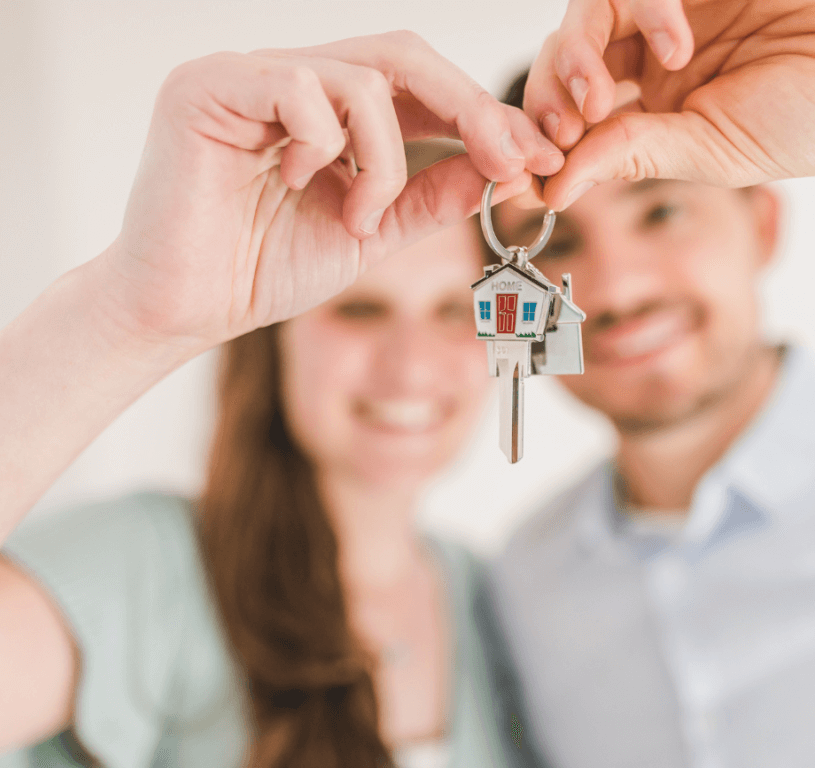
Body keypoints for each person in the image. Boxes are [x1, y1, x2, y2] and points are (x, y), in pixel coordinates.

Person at [0, 35, 562, 768]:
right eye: (359, 312)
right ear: (275, 341)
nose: (412, 364)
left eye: (456, 313)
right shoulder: (146, 564)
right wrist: (128, 314)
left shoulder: (489, 595)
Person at [486, 0, 815, 765]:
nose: (612, 291)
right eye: (555, 240)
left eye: (663, 208)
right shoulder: (521, 582)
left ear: (762, 226)